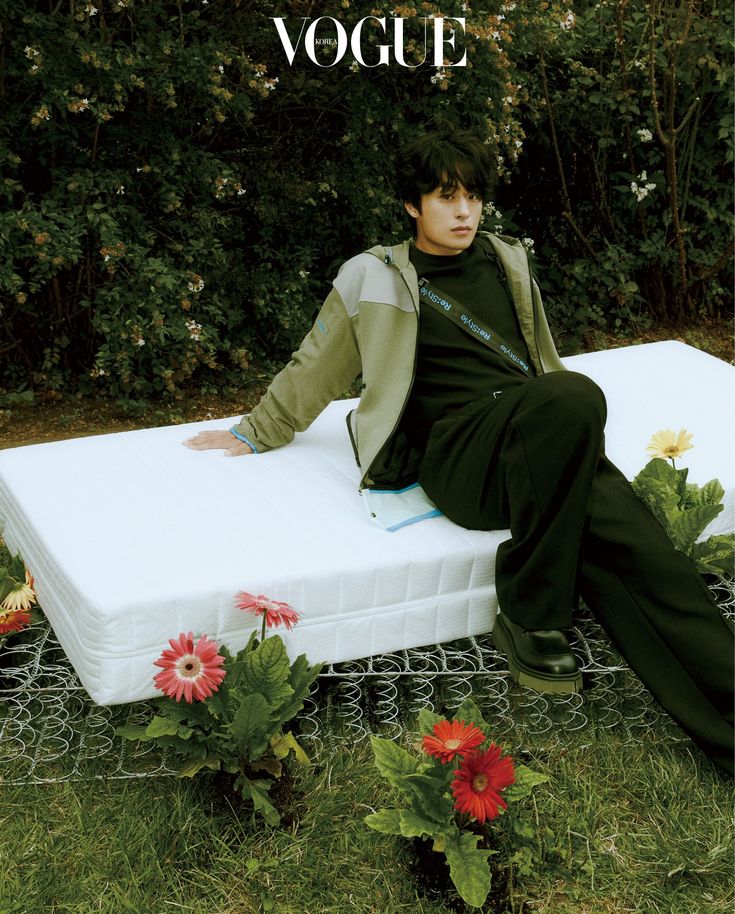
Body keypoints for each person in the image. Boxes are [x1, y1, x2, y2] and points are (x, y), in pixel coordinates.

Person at [184, 127, 734, 775]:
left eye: (472, 197)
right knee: (574, 395)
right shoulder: (372, 276)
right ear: (413, 205)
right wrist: (256, 430)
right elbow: (318, 364)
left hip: (534, 441)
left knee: (646, 555)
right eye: (447, 198)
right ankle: (530, 611)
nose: (465, 212)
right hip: (454, 458)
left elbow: (535, 363)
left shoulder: (506, 260)